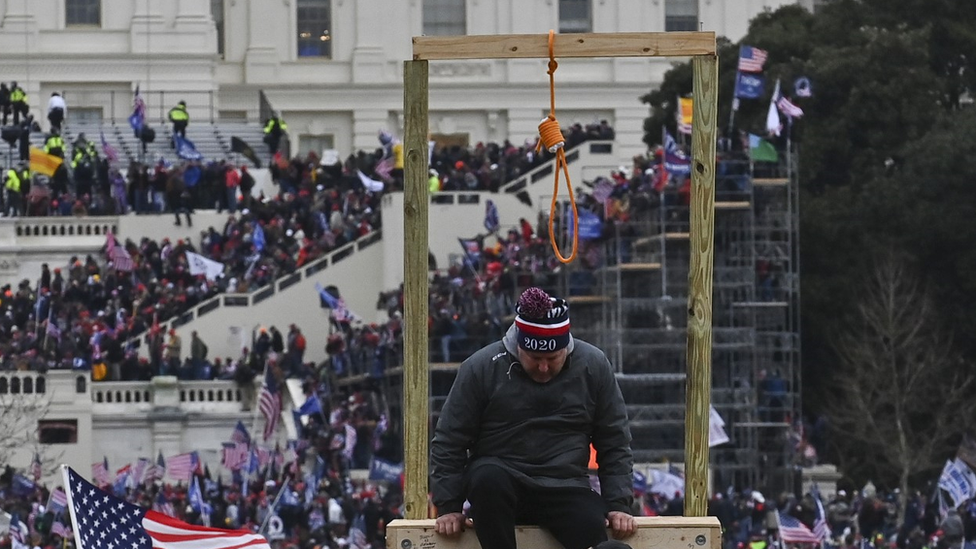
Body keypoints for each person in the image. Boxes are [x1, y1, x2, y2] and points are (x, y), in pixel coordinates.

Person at [430, 287, 636, 549]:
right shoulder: (481, 367)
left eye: (552, 358)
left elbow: (614, 440)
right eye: (535, 358)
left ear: (566, 348)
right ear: (518, 346)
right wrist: (449, 506)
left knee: (599, 537)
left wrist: (619, 504)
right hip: (499, 481)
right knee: (486, 479)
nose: (543, 367)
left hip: (566, 485)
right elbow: (450, 439)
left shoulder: (593, 365)